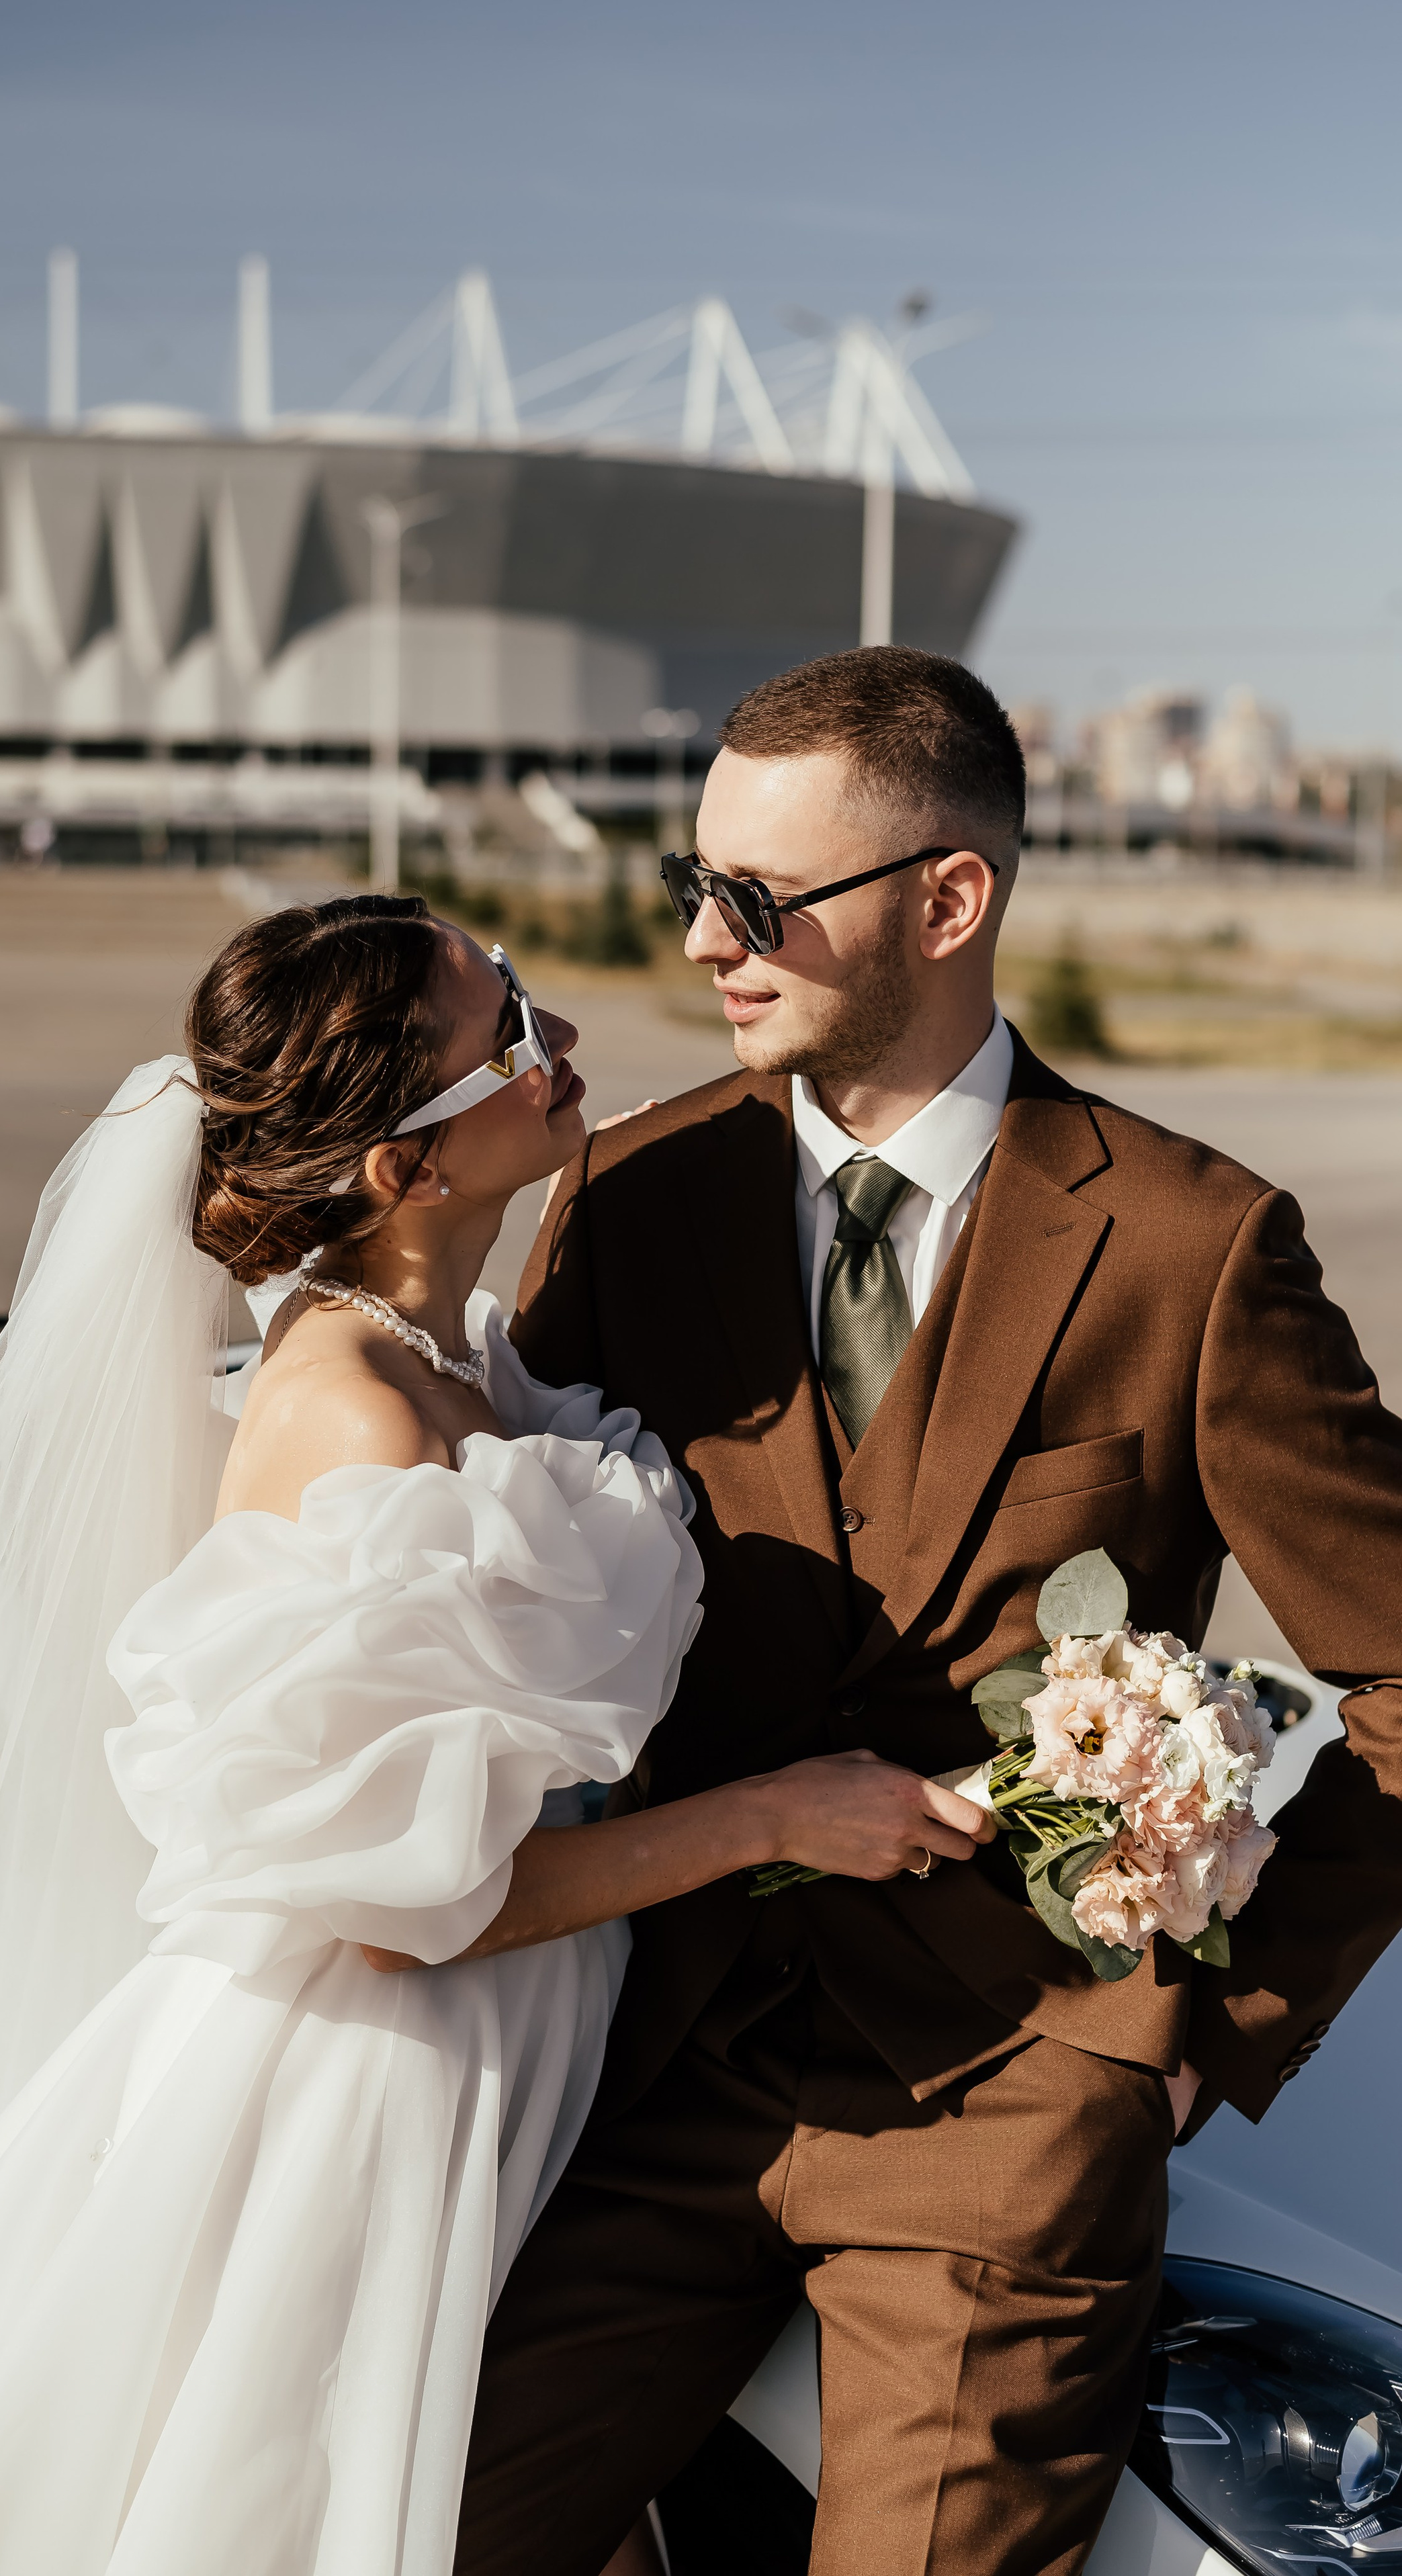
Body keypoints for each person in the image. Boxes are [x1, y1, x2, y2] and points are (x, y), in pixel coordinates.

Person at [0, 894, 992, 2576]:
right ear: (403, 1166)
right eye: (505, 1030)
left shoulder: (453, 1351)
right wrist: (772, 1818)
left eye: (519, 987)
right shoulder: (356, 1416)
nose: (558, 1038)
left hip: (530, 2035)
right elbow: (386, 1917)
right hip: (380, 2089)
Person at [455, 646, 1402, 2576]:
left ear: (949, 899)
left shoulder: (1193, 1247)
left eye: (756, 900)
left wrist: (1204, 2029)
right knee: (404, 2525)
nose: (704, 944)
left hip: (1009, 2114)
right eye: (693, 886)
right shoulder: (630, 1198)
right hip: (647, 2078)